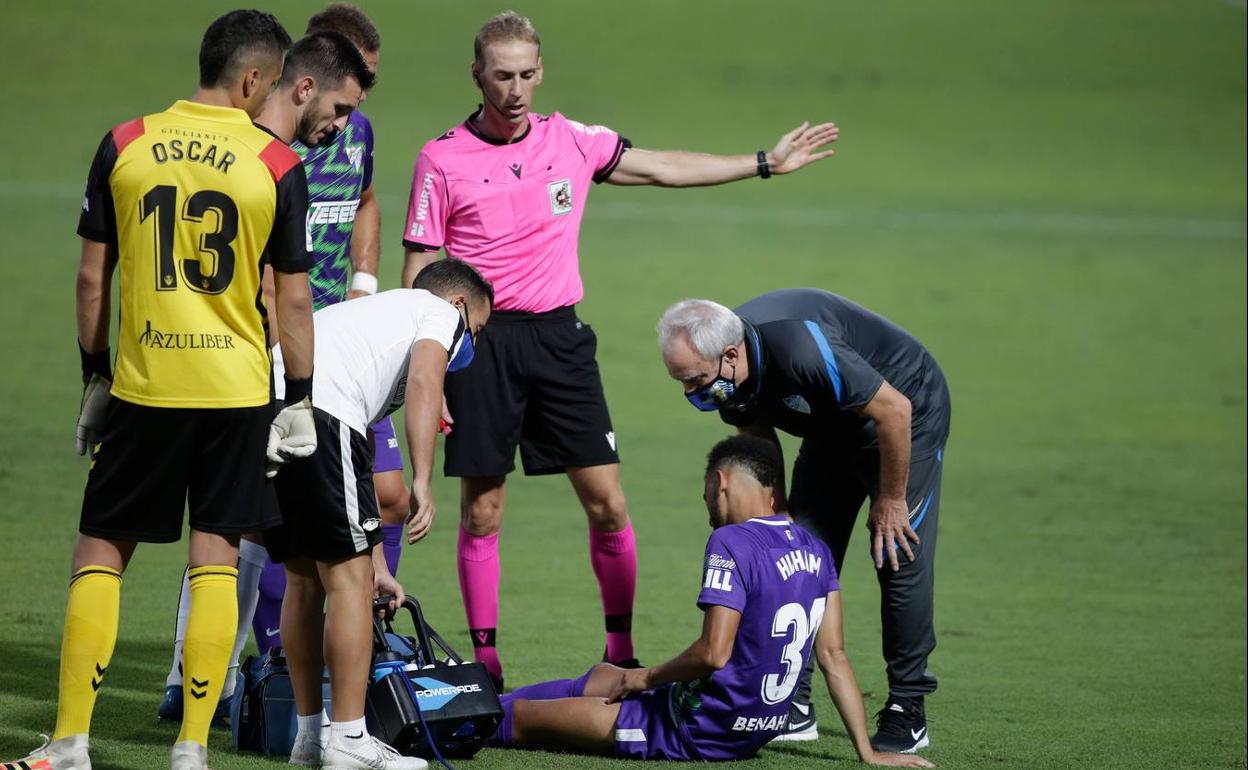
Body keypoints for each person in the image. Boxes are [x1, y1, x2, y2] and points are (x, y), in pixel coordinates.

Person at [400, 10, 841, 686]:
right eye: (501, 76)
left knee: (607, 502)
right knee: (483, 507)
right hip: (480, 344)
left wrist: (762, 163)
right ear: (477, 74)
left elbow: (662, 166)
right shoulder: (442, 157)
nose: (515, 90)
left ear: (540, 71)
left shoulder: (572, 140)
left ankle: (622, 651)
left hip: (558, 339)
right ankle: (487, 664)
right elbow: (422, 266)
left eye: (526, 75)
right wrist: (423, 363)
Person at [7, 11, 317, 770]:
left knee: (101, 552)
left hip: (147, 389)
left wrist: (94, 373)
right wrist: (299, 395)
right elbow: (294, 300)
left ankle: (72, 740)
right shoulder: (275, 163)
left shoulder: (125, 143)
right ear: (253, 79)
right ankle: (190, 751)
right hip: (236, 391)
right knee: (213, 554)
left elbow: (91, 279)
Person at [157, 8, 388, 726]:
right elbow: (259, 273)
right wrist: (283, 362)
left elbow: (367, 201)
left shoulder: (349, 133)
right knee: (240, 524)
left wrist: (361, 286)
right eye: (353, 93)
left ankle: (253, 682)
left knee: (304, 521)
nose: (354, 113)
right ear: (307, 77)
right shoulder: (261, 152)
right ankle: (194, 680)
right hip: (266, 356)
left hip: (318, 353)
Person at [489, 436, 932, 767]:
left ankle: (446, 716)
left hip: (694, 729)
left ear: (719, 481)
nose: (705, 503)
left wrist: (647, 677)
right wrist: (867, 752)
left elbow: (713, 654)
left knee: (526, 718)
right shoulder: (815, 550)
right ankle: (485, 698)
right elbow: (833, 655)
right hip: (753, 730)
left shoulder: (731, 541)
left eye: (705, 491)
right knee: (605, 676)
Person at [656, 290, 952, 752]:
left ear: (730, 355)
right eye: (681, 382)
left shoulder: (798, 349)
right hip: (830, 427)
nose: (691, 392)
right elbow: (757, 439)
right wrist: (779, 514)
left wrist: (892, 500)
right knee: (795, 558)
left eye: (695, 380)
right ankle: (794, 701)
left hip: (902, 415)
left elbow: (893, 410)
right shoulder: (730, 380)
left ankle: (907, 707)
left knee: (897, 555)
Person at [265, 259, 493, 770]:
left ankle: (310, 738)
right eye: (476, 329)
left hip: (272, 407)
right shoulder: (439, 313)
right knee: (347, 587)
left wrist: (380, 566)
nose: (468, 342)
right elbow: (424, 384)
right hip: (324, 416)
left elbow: (357, 466)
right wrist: (421, 482)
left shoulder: (376, 321)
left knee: (304, 580)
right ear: (459, 305)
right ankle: (348, 740)